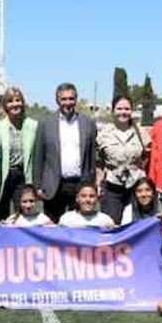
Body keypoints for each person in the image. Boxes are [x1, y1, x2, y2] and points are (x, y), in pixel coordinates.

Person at [34, 82, 96, 222]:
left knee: (80, 226)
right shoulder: (46, 123)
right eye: (64, 99)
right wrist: (37, 186)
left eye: (71, 99)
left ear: (76, 99)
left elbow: (91, 157)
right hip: (54, 186)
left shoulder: (88, 123)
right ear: (57, 101)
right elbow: (38, 156)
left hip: (80, 184)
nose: (68, 103)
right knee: (52, 228)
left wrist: (92, 183)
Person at [96, 94, 146, 223]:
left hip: (136, 186)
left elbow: (149, 156)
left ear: (131, 111)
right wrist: (98, 183)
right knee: (111, 225)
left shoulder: (141, 132)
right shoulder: (104, 134)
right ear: (113, 110)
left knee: (136, 225)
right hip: (112, 186)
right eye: (119, 109)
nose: (123, 112)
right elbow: (99, 162)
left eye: (126, 109)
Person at [0, 87, 39, 222]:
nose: (15, 104)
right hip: (3, 175)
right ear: (5, 105)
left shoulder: (33, 125)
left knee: (22, 214)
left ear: (23, 103)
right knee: (2, 214)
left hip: (23, 175)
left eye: (18, 100)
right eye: (10, 101)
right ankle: (3, 242)